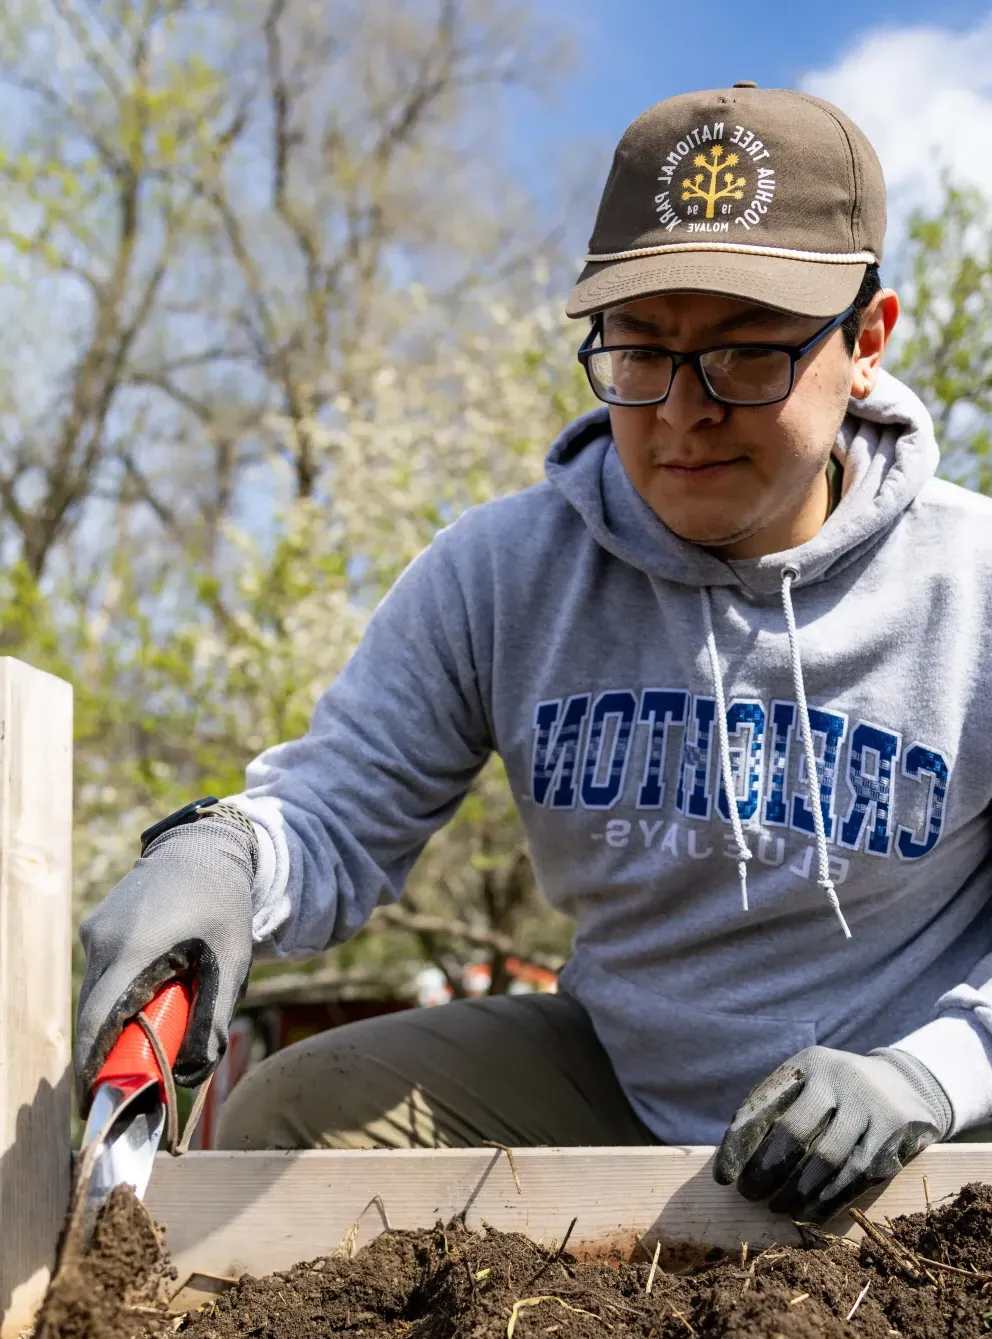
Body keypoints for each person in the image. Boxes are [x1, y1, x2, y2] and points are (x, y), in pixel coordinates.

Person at [75, 83, 992, 1224]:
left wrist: (932, 1072)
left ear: (863, 343)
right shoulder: (502, 573)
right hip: (618, 1074)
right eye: (639, 354)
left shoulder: (973, 585)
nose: (679, 414)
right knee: (298, 1115)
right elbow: (334, 809)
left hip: (922, 1117)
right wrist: (221, 859)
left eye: (744, 360)